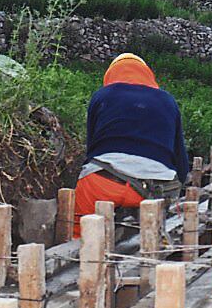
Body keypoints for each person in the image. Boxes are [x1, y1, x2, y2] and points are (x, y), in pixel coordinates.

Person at [75, 53, 188, 234]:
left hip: (103, 184)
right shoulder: (168, 101)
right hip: (155, 189)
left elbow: (92, 149)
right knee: (153, 236)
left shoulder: (102, 96)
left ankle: (77, 247)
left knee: (80, 231)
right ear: (147, 74)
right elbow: (180, 159)